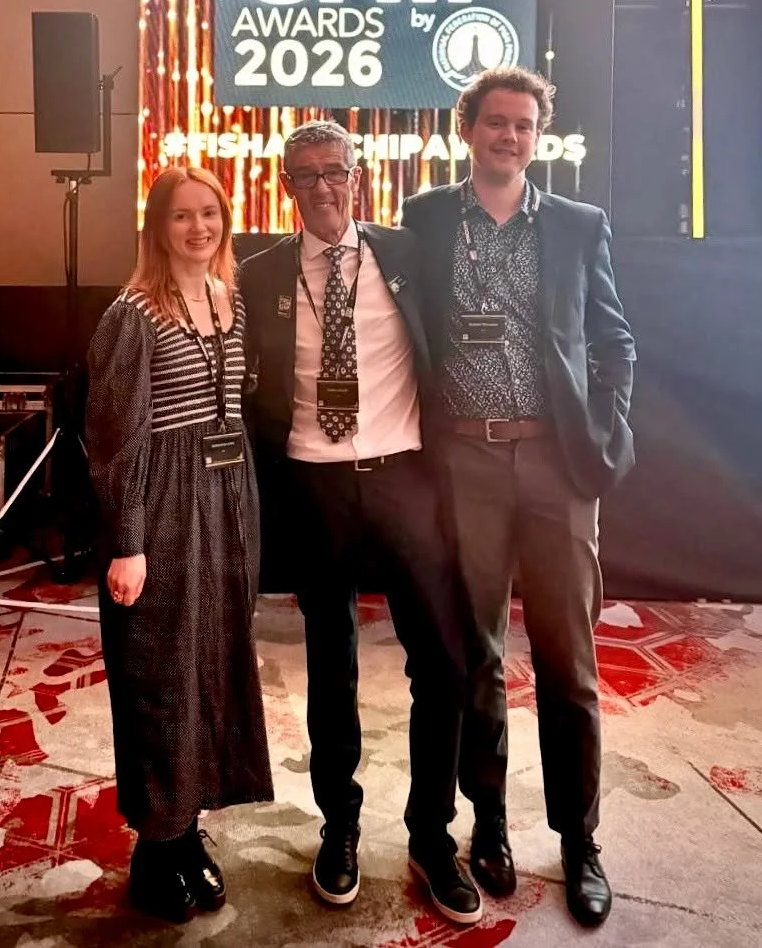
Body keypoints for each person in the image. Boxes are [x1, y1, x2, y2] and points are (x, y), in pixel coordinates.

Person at [401, 66, 637, 929]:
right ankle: (490, 824)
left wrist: (603, 437)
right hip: (464, 461)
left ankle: (580, 839)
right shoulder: (427, 217)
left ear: (538, 136)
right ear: (468, 128)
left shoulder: (577, 224)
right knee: (477, 659)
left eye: (524, 125)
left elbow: (614, 340)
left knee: (570, 663)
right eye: (496, 121)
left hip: (556, 466)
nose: (509, 136)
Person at [239, 120, 482, 926]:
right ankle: (338, 825)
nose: (322, 186)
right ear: (286, 185)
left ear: (359, 174)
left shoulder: (408, 253)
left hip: (406, 477)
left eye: (334, 170)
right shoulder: (258, 274)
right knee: (331, 660)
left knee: (442, 662)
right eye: (306, 174)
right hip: (315, 483)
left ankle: (431, 835)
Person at [85, 165, 274, 923]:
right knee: (160, 674)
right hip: (162, 502)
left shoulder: (231, 297)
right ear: (157, 229)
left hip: (227, 500)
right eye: (182, 216)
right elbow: (114, 438)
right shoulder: (132, 313)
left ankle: (187, 826)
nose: (199, 228)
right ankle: (155, 846)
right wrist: (128, 540)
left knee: (211, 666)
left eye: (210, 213)